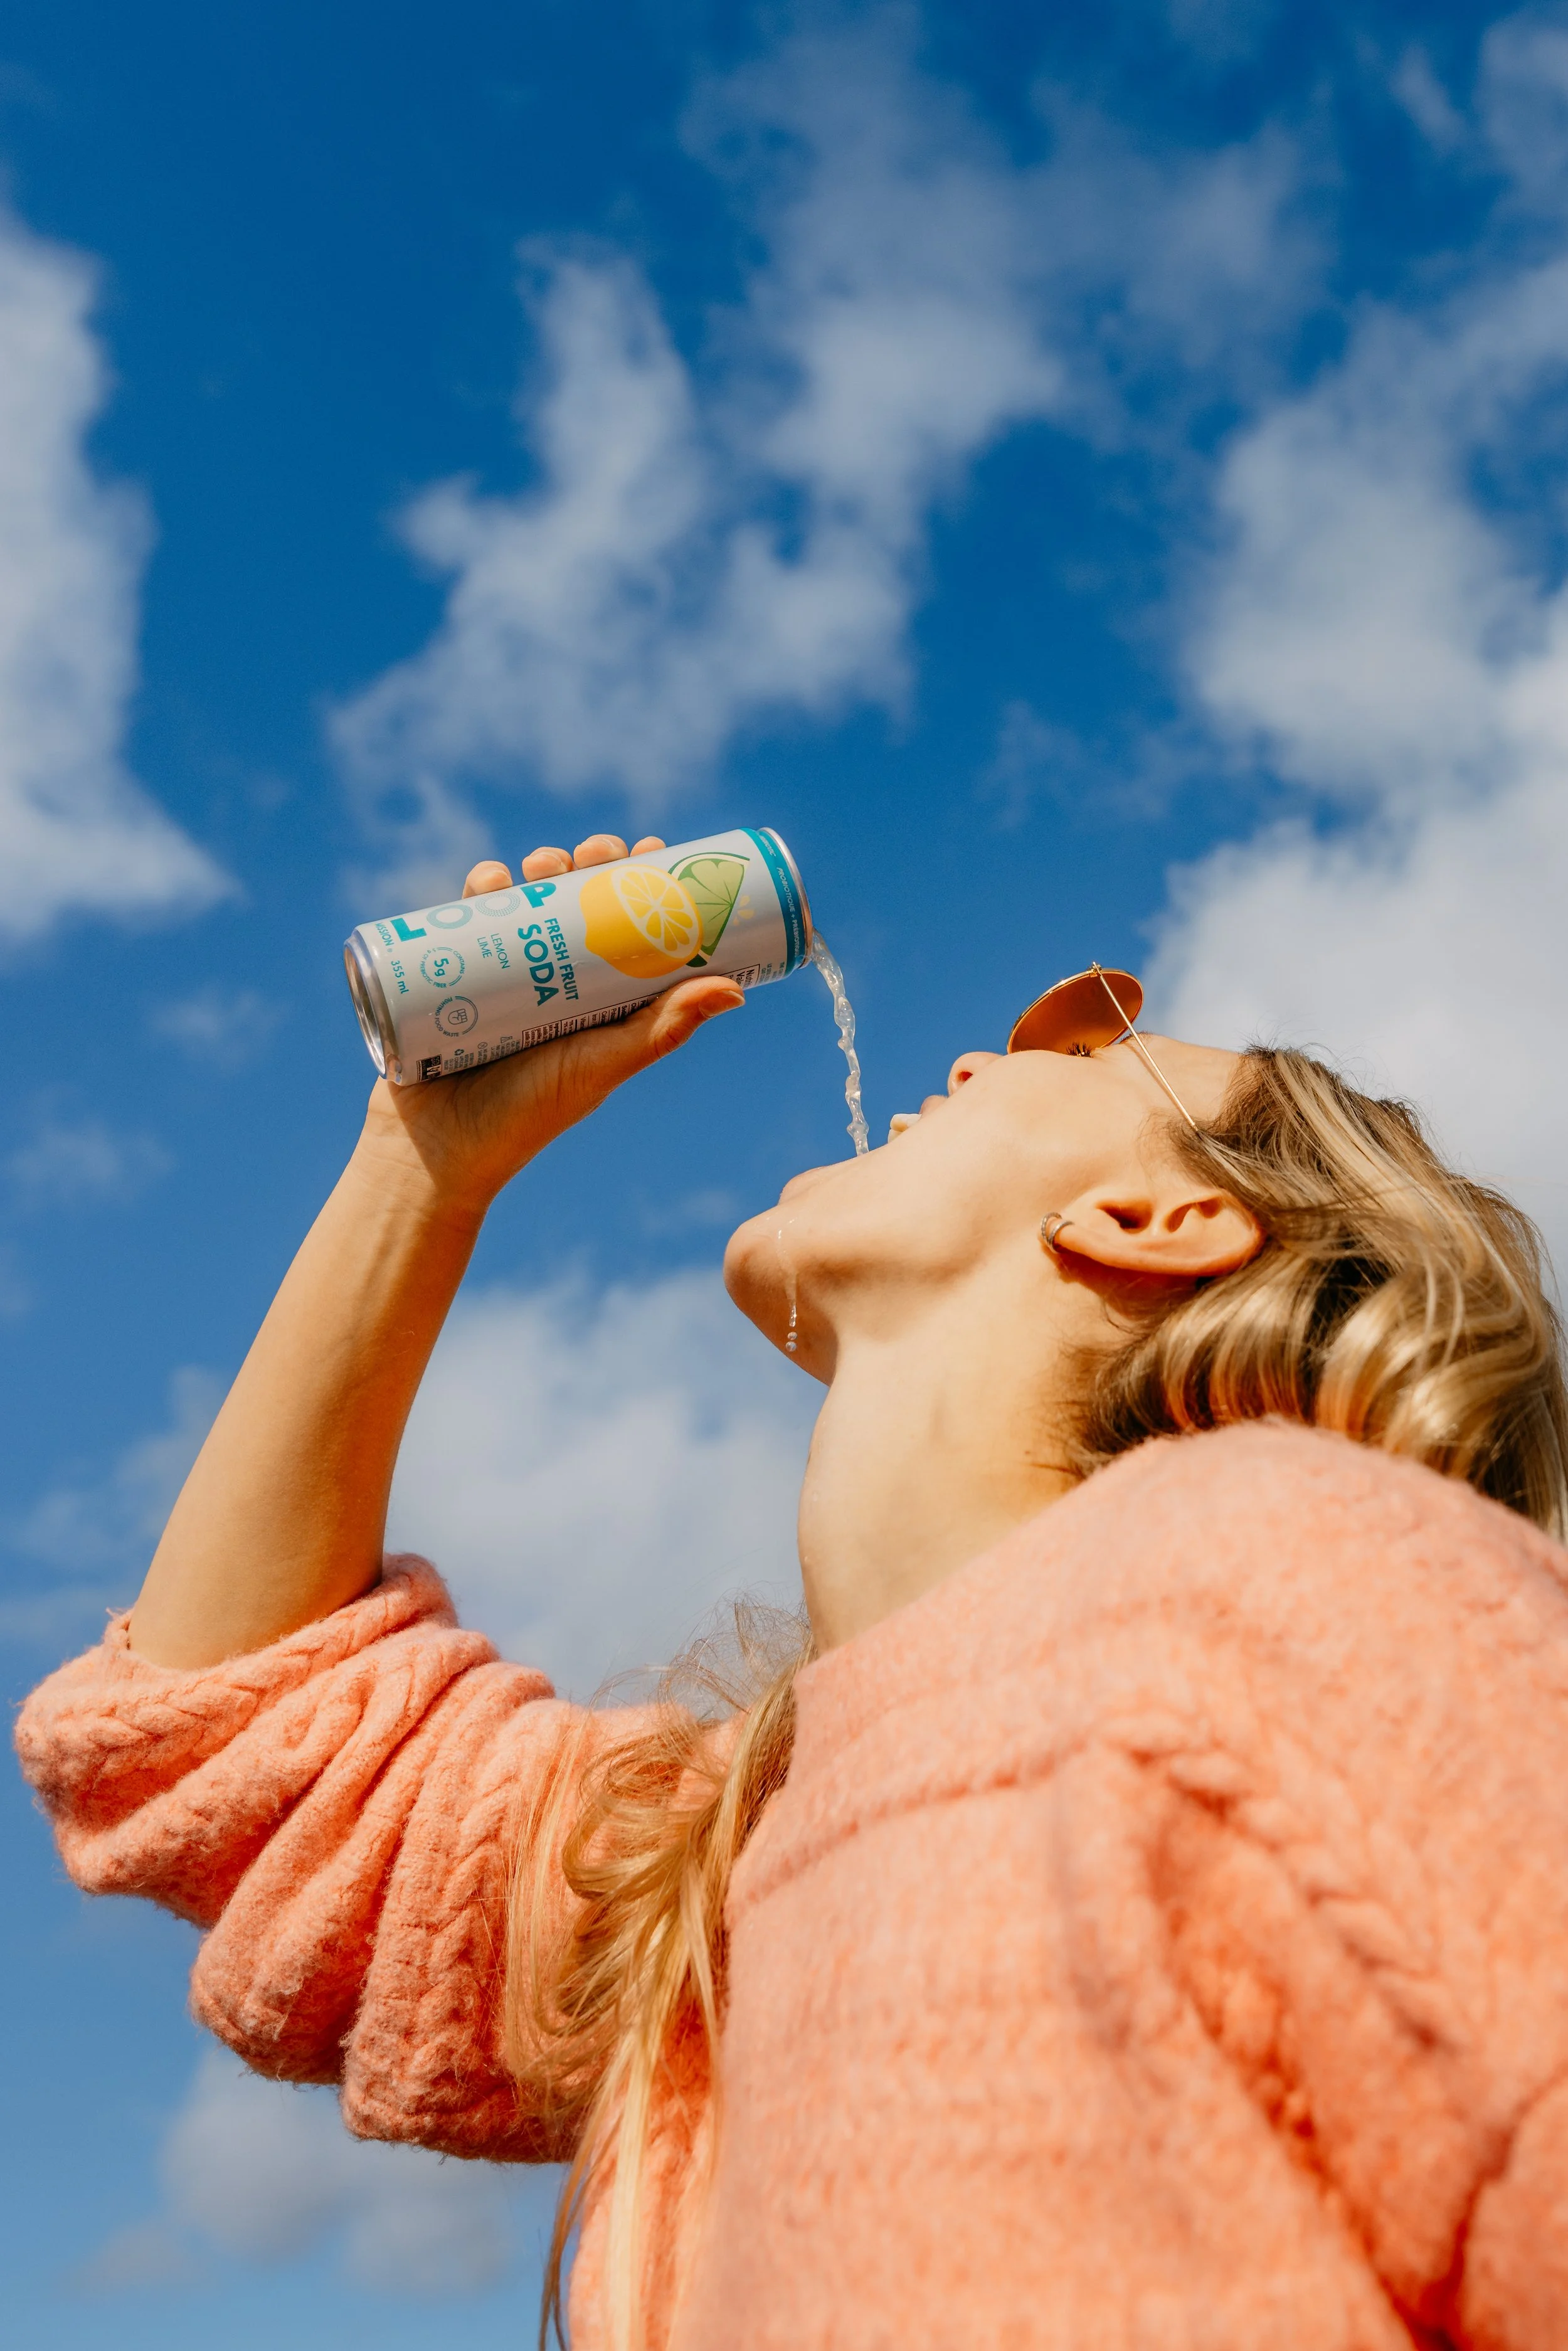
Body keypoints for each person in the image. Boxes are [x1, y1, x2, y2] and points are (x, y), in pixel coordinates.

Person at [17, 829, 1568, 2351]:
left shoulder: (1303, 1588)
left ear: (1158, 1221)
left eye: (1095, 1062)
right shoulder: (724, 1841)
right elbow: (225, 1737)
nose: (973, 1059)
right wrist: (423, 1160)